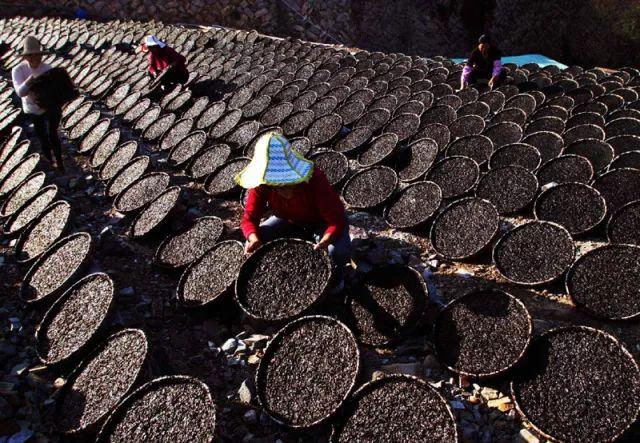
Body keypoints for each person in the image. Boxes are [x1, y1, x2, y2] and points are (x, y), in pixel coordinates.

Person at [237, 131, 352, 290]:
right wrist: (253, 238)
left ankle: (336, 282)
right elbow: (249, 218)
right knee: (254, 242)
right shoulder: (262, 184)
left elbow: (336, 220)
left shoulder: (314, 179)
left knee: (334, 252)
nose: (278, 189)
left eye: (283, 183)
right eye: (273, 184)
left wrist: (326, 240)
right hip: (289, 221)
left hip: (322, 223)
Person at [11, 36, 65, 172]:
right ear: (26, 57)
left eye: (37, 55)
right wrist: (31, 80)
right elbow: (20, 92)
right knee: (42, 135)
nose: (35, 58)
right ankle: (50, 160)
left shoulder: (47, 68)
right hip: (32, 108)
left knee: (53, 133)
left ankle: (60, 162)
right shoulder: (18, 71)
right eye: (31, 56)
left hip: (50, 105)